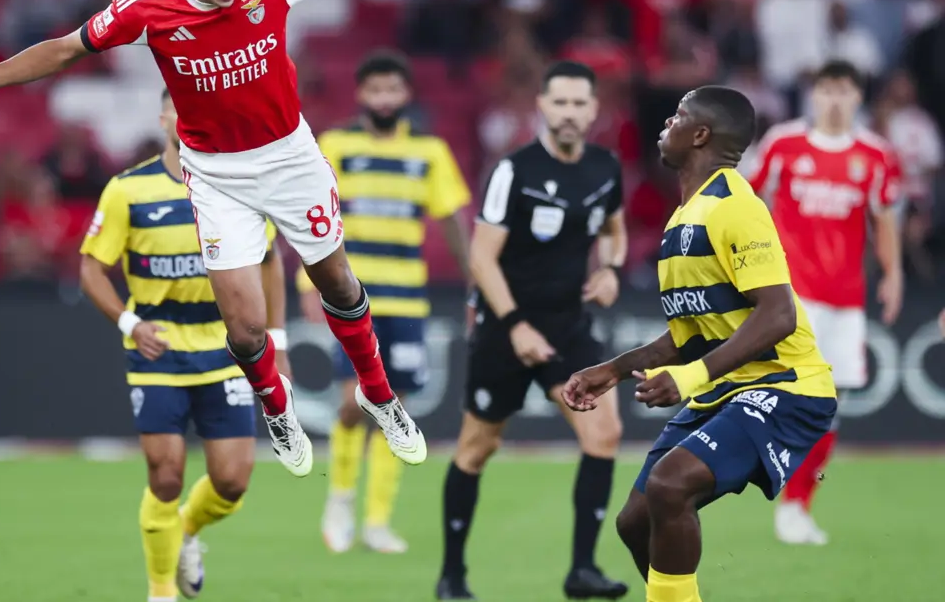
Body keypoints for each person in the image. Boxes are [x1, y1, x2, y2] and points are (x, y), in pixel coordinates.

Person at [0, 0, 518, 475]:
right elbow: (66, 50)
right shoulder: (146, 8)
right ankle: (276, 408)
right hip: (217, 173)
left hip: (289, 157)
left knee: (336, 282)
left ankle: (379, 396)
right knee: (245, 326)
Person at [564, 86, 838, 602]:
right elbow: (690, 333)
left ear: (701, 135)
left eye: (678, 116)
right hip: (728, 389)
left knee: (671, 486)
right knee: (635, 523)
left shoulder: (736, 207)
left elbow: (777, 314)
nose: (666, 123)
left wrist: (690, 378)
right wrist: (614, 370)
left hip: (787, 385)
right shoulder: (684, 217)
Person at [78, 89, 289, 602]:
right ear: (165, 117)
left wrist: (276, 340)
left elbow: (267, 261)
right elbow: (91, 267)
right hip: (160, 353)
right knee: (166, 476)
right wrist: (130, 323)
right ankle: (161, 591)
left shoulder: (239, 188)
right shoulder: (128, 190)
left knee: (233, 482)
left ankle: (187, 532)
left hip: (226, 352)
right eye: (181, 109)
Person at [438, 61, 629, 601]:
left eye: (579, 104)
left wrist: (611, 268)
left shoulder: (605, 168)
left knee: (604, 433)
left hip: (568, 326)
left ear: (594, 110)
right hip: (506, 328)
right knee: (478, 447)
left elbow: (615, 231)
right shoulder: (513, 170)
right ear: (542, 106)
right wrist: (516, 325)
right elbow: (482, 257)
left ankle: (582, 570)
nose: (569, 113)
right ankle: (452, 575)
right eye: (560, 103)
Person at [300, 51, 472, 555]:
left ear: (406, 96)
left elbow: (452, 223)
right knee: (356, 399)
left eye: (391, 90)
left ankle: (377, 521)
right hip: (350, 297)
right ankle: (340, 500)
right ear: (361, 95)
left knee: (396, 407)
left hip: (407, 300)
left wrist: (472, 286)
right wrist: (308, 284)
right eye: (374, 90)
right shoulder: (336, 145)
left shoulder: (430, 153)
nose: (383, 99)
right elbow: (309, 216)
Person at [748, 60, 903, 546]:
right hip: (792, 296)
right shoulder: (782, 144)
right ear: (812, 96)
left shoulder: (875, 155)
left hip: (847, 299)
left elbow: (885, 218)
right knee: (794, 398)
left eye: (844, 90)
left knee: (828, 411)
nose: (834, 99)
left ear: (858, 98)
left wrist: (894, 273)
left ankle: (797, 507)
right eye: (826, 90)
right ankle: (764, 481)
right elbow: (746, 202)